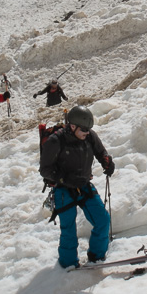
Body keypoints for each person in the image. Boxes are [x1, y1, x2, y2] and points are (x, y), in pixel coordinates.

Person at [39, 104, 115, 268]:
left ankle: (97, 256)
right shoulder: (55, 141)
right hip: (63, 189)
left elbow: (101, 152)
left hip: (84, 185)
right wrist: (65, 179)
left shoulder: (89, 135)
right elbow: (45, 170)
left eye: (88, 130)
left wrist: (107, 162)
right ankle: (68, 264)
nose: (87, 133)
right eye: (84, 130)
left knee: (103, 219)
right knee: (68, 229)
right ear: (72, 126)